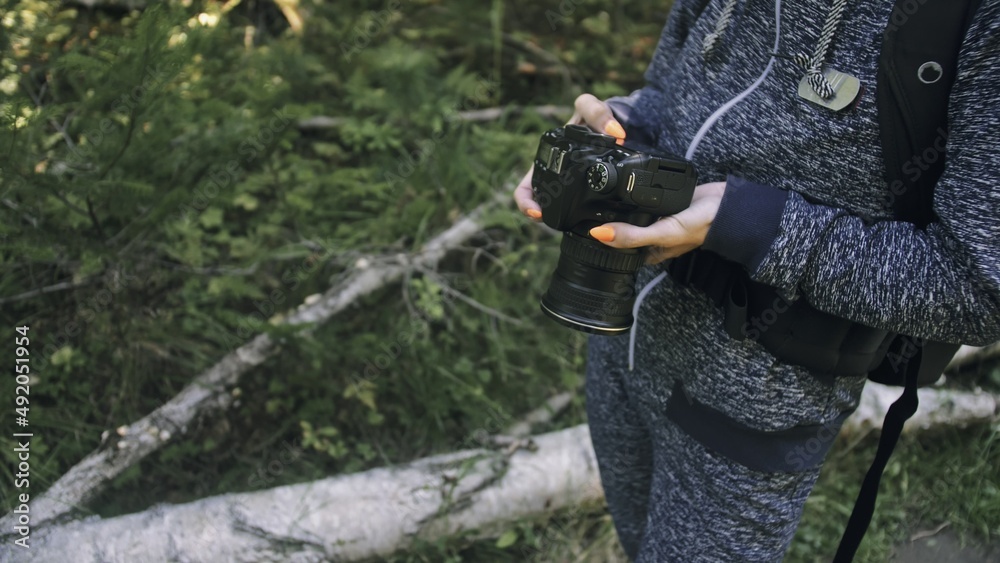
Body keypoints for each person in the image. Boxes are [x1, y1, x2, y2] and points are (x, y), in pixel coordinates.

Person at [514, 0, 1000, 560]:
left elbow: (977, 287)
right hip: (620, 338)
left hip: (748, 413)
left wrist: (747, 222)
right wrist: (612, 134)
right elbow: (672, 92)